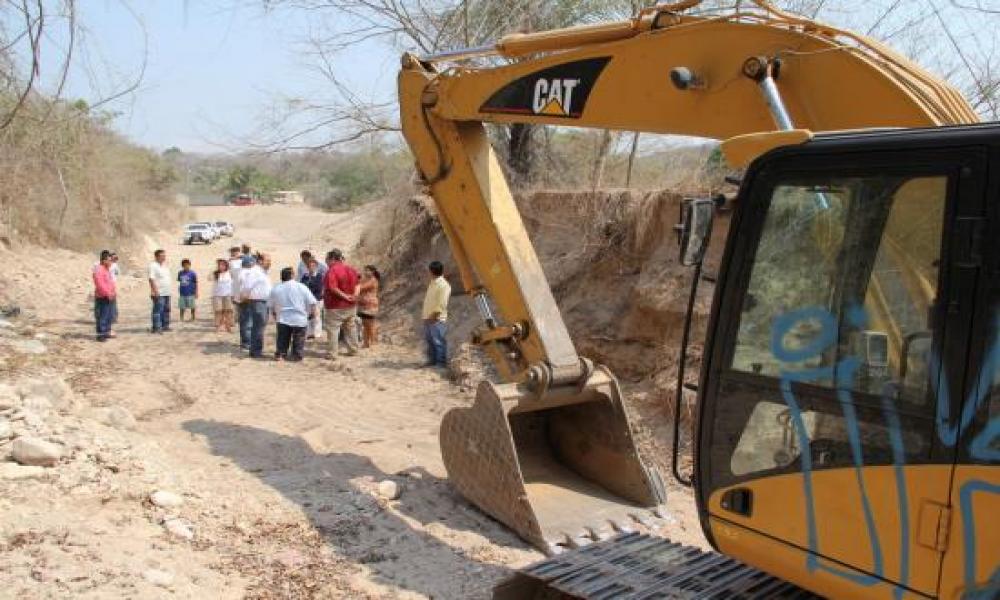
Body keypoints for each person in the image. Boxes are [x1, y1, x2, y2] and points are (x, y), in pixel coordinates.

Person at [269, 267, 318, 361]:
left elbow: (271, 305)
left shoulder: (276, 288)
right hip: (299, 318)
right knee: (299, 338)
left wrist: (274, 315)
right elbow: (312, 302)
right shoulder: (301, 286)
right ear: (292, 275)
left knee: (282, 338)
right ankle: (296, 355)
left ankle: (281, 354)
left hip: (283, 318)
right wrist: (313, 314)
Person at [322, 248, 359, 360]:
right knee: (351, 328)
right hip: (351, 305)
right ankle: (353, 349)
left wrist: (345, 296)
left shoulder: (332, 271)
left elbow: (333, 288)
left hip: (335, 305)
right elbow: (358, 284)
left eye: (327, 259)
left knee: (333, 330)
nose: (326, 262)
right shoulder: (351, 269)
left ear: (332, 259)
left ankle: (332, 353)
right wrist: (354, 295)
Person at [240, 252, 272, 358]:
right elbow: (247, 286)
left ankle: (256, 349)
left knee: (260, 326)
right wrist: (245, 297)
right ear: (260, 261)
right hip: (258, 302)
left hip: (263, 302)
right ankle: (256, 351)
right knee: (258, 327)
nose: (269, 263)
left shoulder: (262, 272)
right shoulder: (255, 272)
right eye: (268, 261)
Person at [422, 260, 451, 368]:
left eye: (428, 271)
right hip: (428, 317)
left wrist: (434, 315)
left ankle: (440, 363)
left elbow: (442, 303)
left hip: (436, 318)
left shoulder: (444, 285)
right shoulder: (432, 283)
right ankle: (432, 361)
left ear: (431, 271)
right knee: (430, 341)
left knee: (438, 341)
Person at [92, 250, 117, 342]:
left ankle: (107, 332)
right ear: (103, 261)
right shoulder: (98, 270)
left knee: (109, 316)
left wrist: (113, 292)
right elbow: (100, 284)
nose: (111, 262)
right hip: (103, 297)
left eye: (111, 260)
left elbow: (110, 283)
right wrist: (107, 293)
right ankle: (101, 335)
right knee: (102, 316)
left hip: (109, 296)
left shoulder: (106, 270)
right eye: (109, 260)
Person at [300, 257, 325, 340]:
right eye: (310, 266)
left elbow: (319, 288)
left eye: (313, 266)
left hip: (317, 299)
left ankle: (317, 333)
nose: (311, 267)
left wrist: (312, 297)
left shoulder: (319, 276)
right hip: (307, 300)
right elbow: (302, 287)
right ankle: (309, 333)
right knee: (308, 317)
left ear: (316, 266)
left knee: (317, 316)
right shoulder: (305, 276)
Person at [148, 249, 172, 333]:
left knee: (166, 310)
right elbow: (151, 279)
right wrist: (155, 291)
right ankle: (156, 327)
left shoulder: (165, 266)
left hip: (167, 291)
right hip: (159, 292)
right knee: (158, 310)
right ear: (157, 256)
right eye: (162, 256)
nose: (164, 257)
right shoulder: (153, 265)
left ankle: (165, 325)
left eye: (164, 256)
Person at [357, 265, 381, 348]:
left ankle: (373, 342)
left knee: (370, 324)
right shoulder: (365, 280)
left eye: (367, 270)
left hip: (370, 305)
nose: (366, 272)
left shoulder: (373, 280)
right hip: (363, 305)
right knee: (365, 324)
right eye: (365, 270)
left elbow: (361, 287)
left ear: (372, 271)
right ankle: (366, 343)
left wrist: (357, 283)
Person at [212, 258, 235, 333]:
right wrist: (215, 272)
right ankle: (218, 326)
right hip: (217, 295)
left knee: (228, 311)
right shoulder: (215, 274)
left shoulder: (230, 273)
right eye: (219, 265)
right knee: (218, 311)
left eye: (223, 265)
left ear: (226, 266)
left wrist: (233, 294)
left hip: (228, 294)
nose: (221, 266)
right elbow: (209, 278)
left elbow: (234, 283)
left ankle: (228, 326)